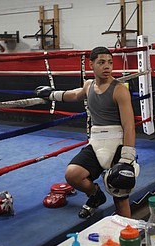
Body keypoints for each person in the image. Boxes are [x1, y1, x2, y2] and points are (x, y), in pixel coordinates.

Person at [35, 46, 138, 219]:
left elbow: (129, 126)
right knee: (72, 175)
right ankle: (96, 195)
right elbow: (75, 95)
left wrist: (127, 157)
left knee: (120, 194)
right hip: (96, 143)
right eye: (102, 62)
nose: (107, 67)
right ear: (91, 65)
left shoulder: (119, 89)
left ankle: (126, 235)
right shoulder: (89, 85)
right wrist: (53, 95)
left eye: (110, 63)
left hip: (117, 145)